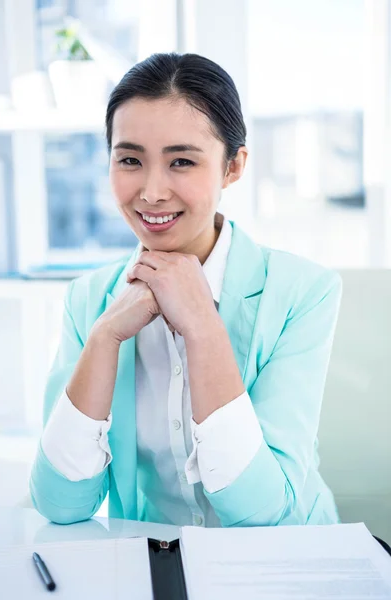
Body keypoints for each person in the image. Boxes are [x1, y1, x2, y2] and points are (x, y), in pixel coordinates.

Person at [30, 52, 342, 528]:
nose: (152, 191)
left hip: (287, 560)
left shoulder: (305, 293)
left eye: (181, 161)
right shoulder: (88, 300)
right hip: (155, 563)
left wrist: (201, 325)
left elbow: (265, 515)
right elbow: (61, 505)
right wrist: (104, 337)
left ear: (233, 166)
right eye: (130, 159)